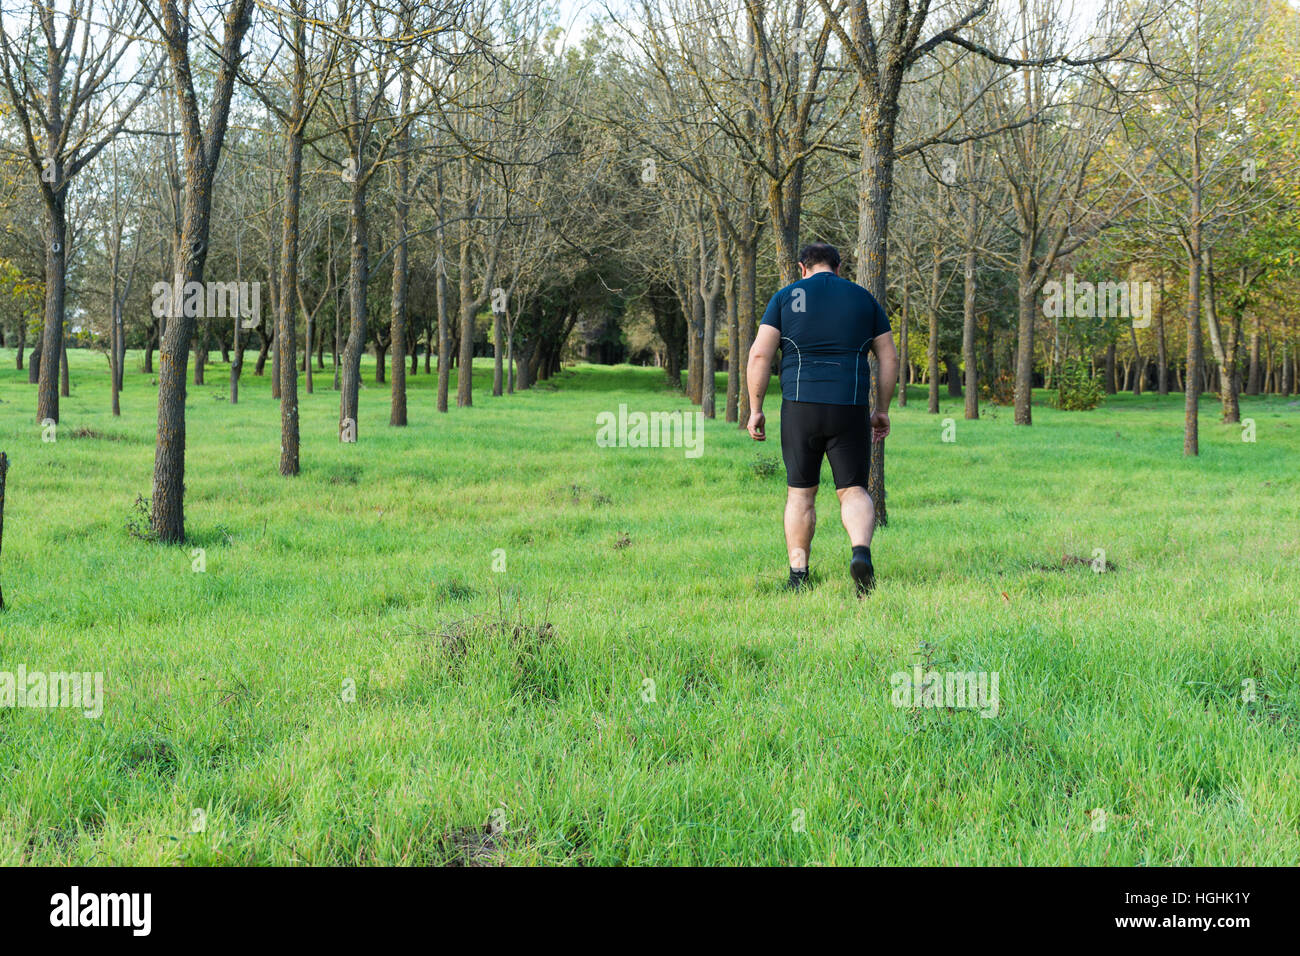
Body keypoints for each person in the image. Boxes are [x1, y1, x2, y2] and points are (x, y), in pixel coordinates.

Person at [745, 242, 898, 596]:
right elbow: (888, 358)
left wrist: (755, 408)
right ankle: (860, 552)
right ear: (839, 268)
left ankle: (798, 575)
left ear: (802, 268)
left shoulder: (785, 298)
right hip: (849, 405)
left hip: (800, 406)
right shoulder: (864, 299)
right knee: (853, 489)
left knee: (801, 495)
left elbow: (759, 356)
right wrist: (882, 410)